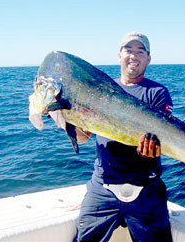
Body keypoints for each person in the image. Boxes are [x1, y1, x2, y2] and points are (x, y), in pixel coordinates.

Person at [70, 32, 173, 241]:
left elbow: (160, 139)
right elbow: (82, 138)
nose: (134, 56)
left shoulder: (157, 92)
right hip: (102, 186)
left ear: (148, 58)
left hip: (146, 189)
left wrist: (151, 150)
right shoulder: (100, 91)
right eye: (129, 50)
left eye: (140, 51)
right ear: (119, 55)